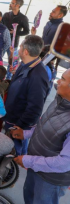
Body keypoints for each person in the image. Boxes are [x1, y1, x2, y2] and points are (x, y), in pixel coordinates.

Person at [11, 68, 70, 204]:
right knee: (29, 199)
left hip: (50, 180)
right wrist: (26, 134)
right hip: (37, 169)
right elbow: (46, 126)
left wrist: (29, 161)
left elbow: (64, 163)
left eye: (63, 80)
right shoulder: (60, 100)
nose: (58, 81)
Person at [4, 35, 49, 156]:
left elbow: (35, 108)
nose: (18, 50)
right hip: (12, 118)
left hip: (19, 124)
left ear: (25, 51)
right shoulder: (25, 64)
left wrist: (19, 126)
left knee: (15, 154)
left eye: (20, 47)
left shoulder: (38, 75)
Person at [1, 0, 29, 78]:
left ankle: (8, 80)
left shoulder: (23, 18)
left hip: (14, 45)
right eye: (11, 2)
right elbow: (1, 25)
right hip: (3, 42)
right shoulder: (6, 15)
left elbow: (27, 31)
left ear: (18, 5)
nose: (11, 4)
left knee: (12, 64)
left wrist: (16, 32)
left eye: (13, 3)